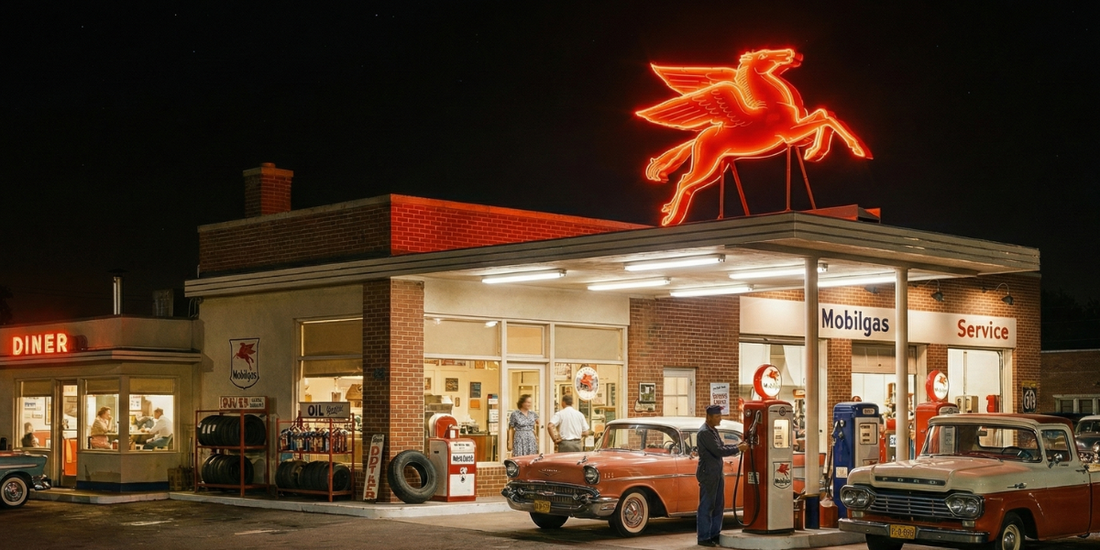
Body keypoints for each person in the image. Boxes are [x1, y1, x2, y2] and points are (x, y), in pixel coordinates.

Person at [696, 404, 750, 547]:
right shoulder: (705, 432)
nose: (720, 419)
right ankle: (704, 537)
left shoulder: (712, 430)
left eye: (720, 416)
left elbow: (722, 447)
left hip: (717, 473)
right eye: (717, 416)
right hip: (708, 473)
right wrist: (738, 448)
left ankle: (714, 534)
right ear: (708, 417)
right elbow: (718, 450)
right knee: (707, 505)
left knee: (718, 505)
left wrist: (736, 446)